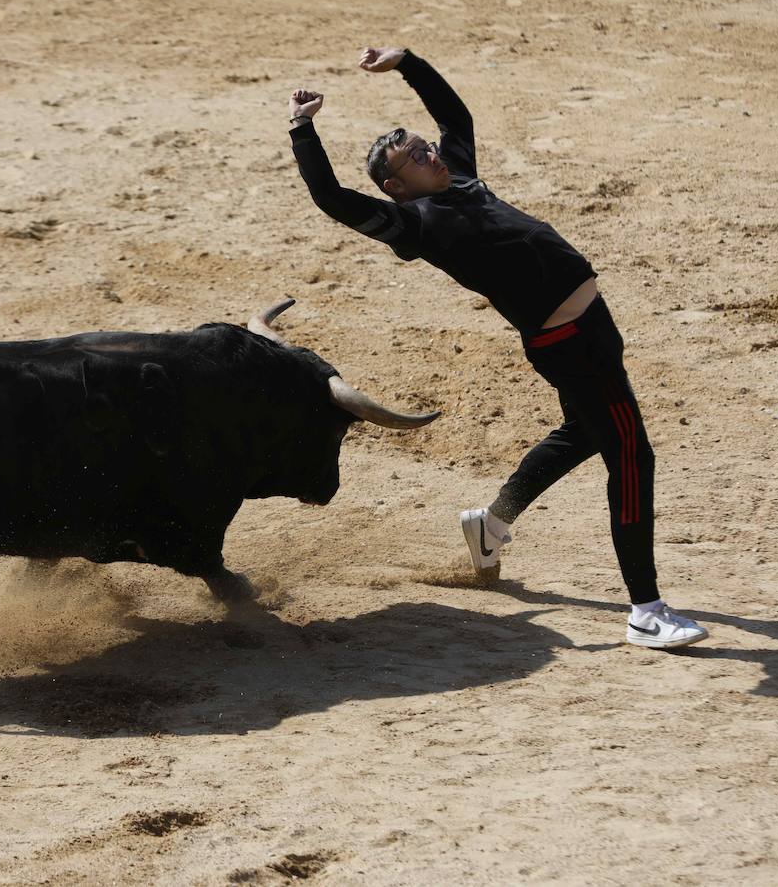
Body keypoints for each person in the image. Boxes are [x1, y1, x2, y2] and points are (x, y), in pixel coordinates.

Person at [287, 47, 707, 649]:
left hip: (594, 328)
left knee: (587, 432)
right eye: (415, 157)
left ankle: (493, 521)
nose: (431, 153)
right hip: (569, 345)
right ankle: (647, 610)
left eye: (424, 147)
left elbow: (455, 118)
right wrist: (304, 127)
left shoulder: (460, 176)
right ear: (394, 187)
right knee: (632, 460)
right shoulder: (414, 224)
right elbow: (331, 198)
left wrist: (408, 63)